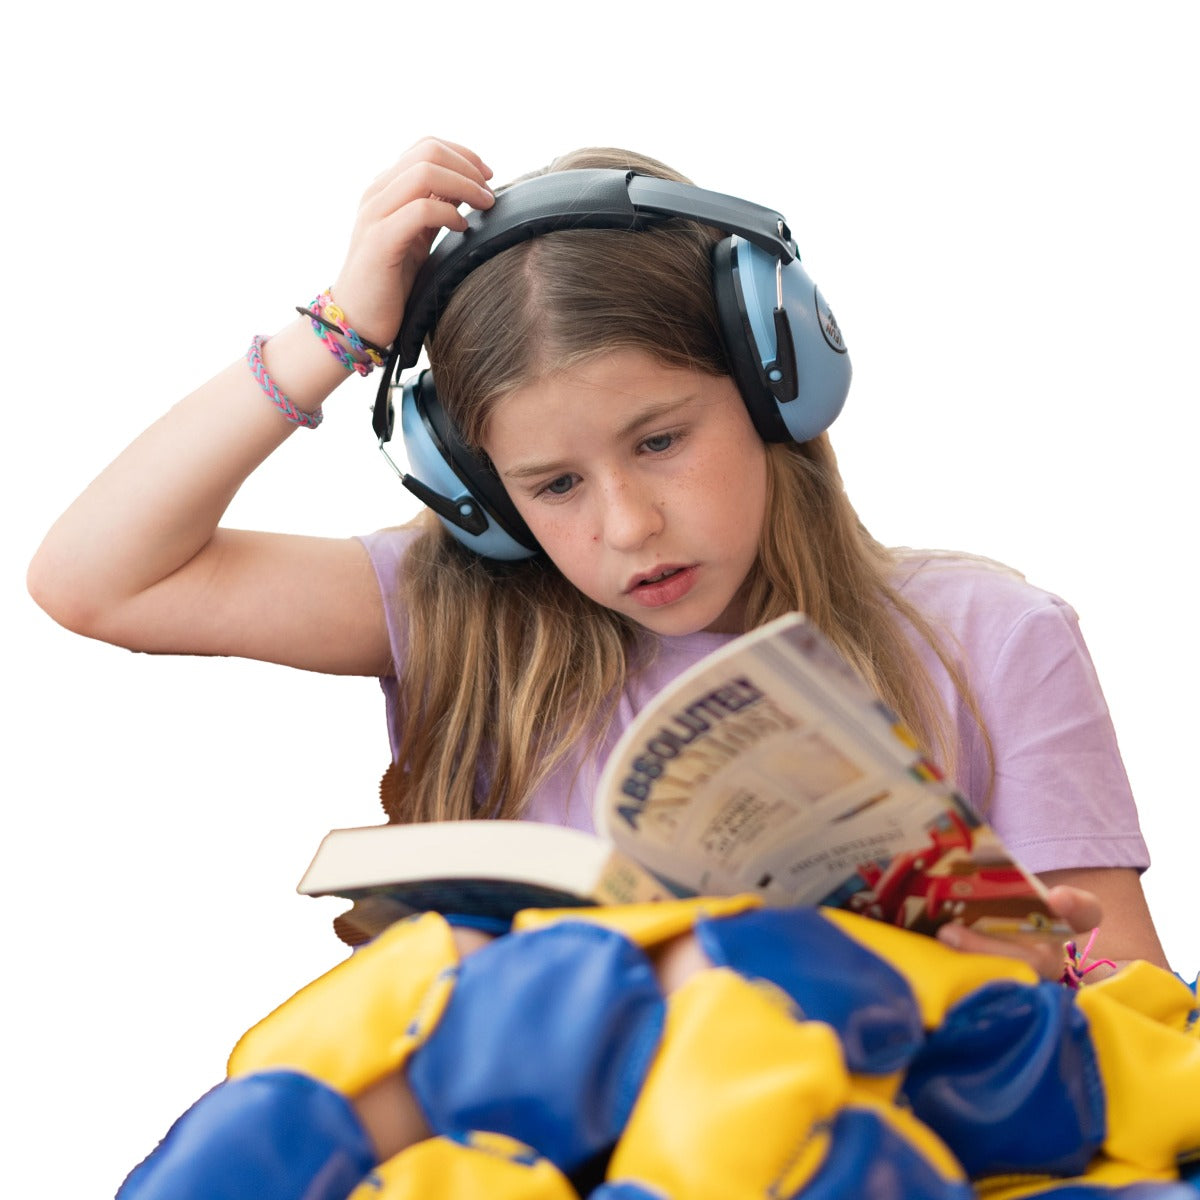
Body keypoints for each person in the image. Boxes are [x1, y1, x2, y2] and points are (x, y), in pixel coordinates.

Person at [27, 136, 1167, 980]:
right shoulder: (459, 613)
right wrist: (337, 332)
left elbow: (1141, 1031)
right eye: (554, 485)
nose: (626, 525)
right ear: (482, 496)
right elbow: (97, 578)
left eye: (661, 441)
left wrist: (1010, 977)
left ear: (781, 386)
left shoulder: (989, 637)